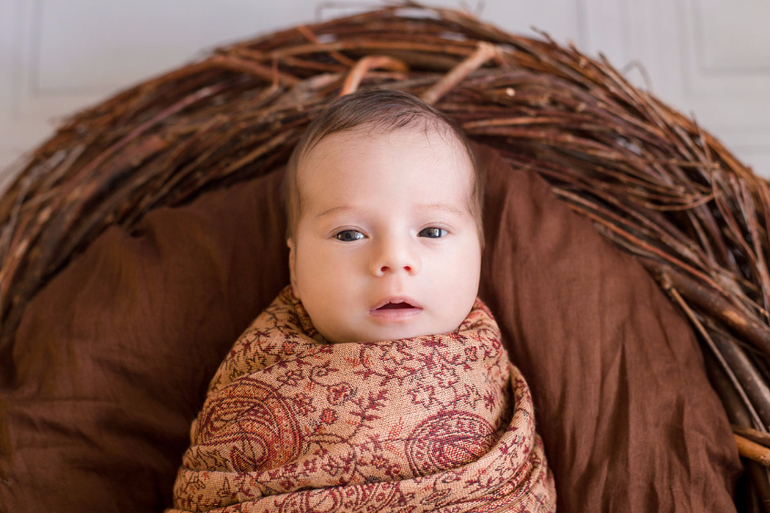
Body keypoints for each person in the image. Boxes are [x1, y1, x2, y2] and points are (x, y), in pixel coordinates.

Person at [170, 89, 555, 513]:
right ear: (295, 267)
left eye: (431, 231)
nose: (394, 259)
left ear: (479, 252)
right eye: (350, 234)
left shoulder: (485, 365)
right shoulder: (261, 365)